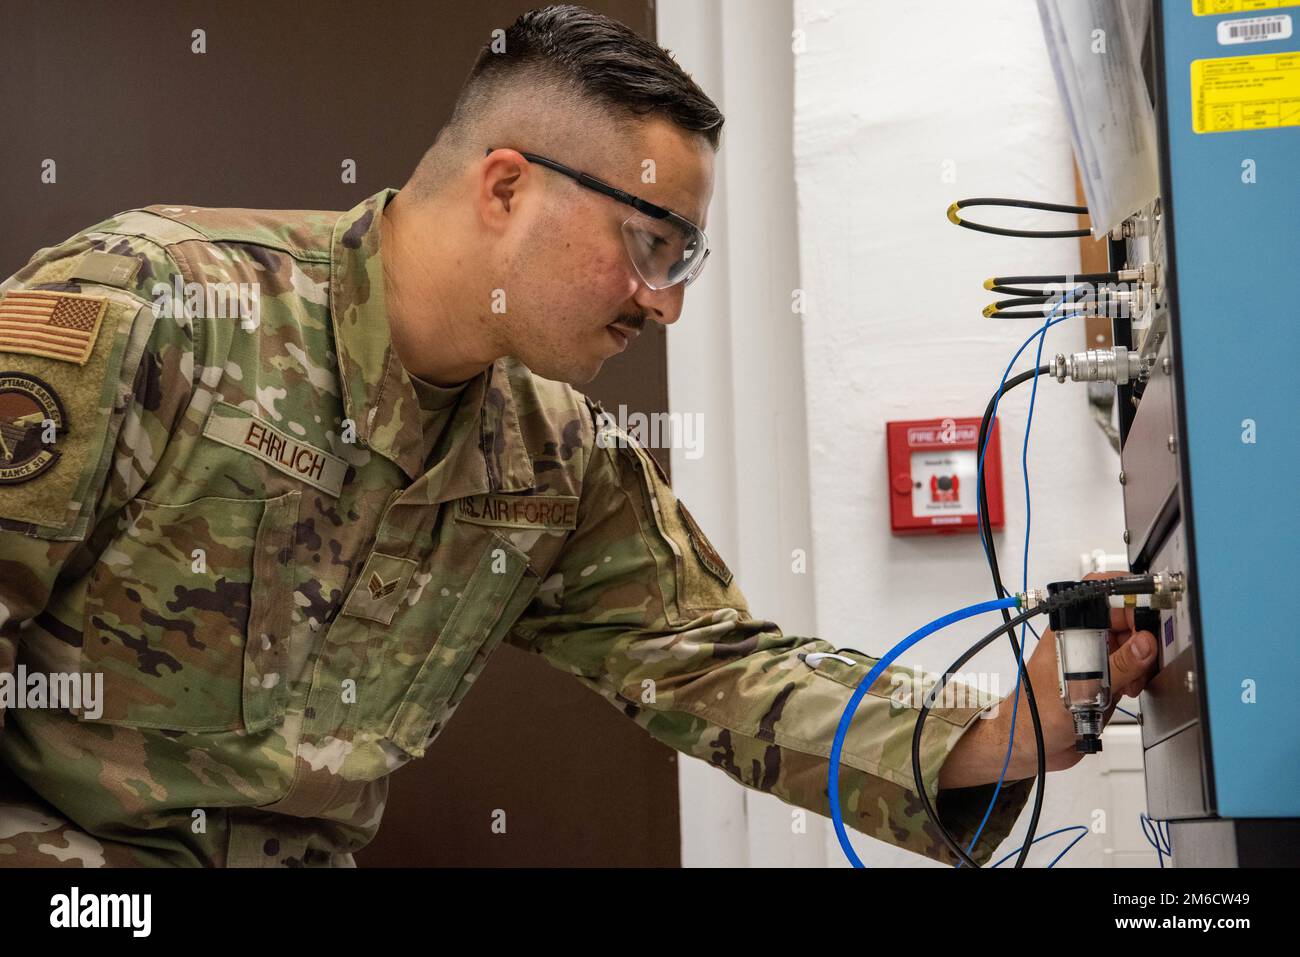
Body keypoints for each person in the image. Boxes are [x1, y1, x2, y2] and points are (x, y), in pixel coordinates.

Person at [0, 4, 1156, 867]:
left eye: (685, 261)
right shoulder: (156, 309)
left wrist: (999, 731)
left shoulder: (552, 457)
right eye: (652, 245)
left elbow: (713, 669)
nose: (666, 303)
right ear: (505, 187)